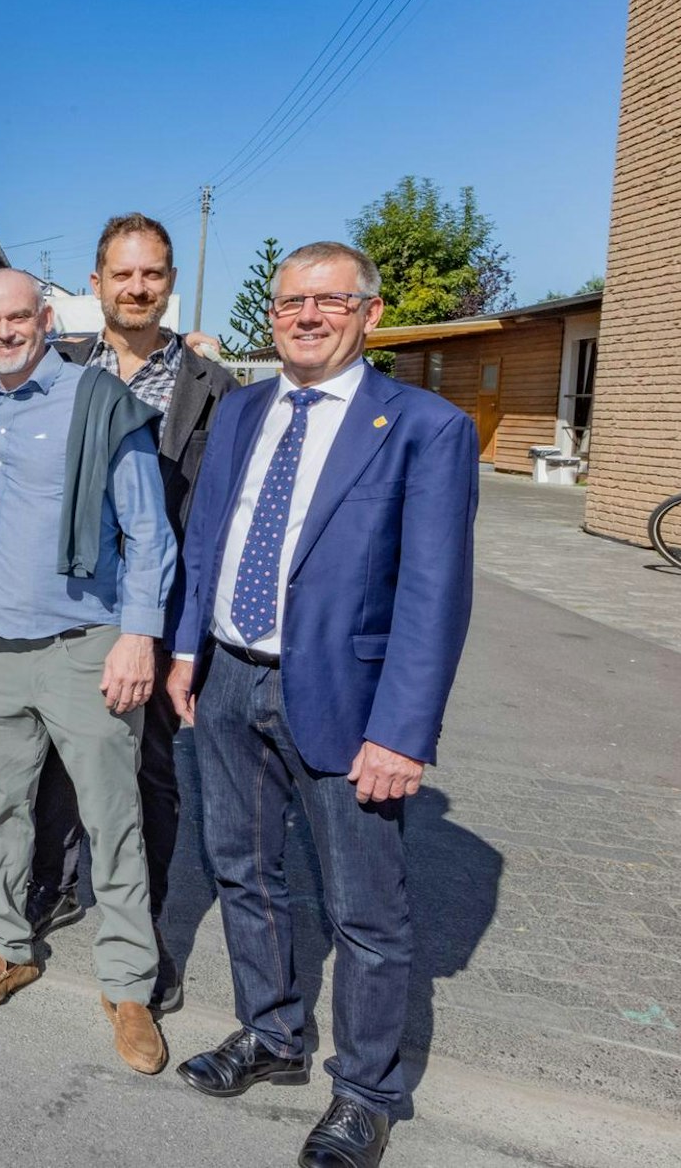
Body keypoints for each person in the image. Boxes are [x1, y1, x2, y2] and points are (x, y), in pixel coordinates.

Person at [166, 243, 478, 1168]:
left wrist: (401, 730)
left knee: (364, 909)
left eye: (328, 301)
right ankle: (271, 1034)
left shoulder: (425, 426)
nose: (306, 316)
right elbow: (208, 540)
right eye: (289, 301)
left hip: (349, 696)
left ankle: (366, 1094)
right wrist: (187, 647)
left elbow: (435, 593)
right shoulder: (245, 409)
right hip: (228, 674)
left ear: (369, 315)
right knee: (241, 869)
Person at [0, 270, 175, 1077]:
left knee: (111, 820)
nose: (4, 332)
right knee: (3, 806)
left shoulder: (98, 399)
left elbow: (148, 533)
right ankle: (9, 947)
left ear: (46, 318)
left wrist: (137, 637)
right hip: (1, 643)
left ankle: (128, 986)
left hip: (89, 643)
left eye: (19, 318)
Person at [26, 214, 235, 1012]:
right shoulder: (59, 368)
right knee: (51, 762)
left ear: (169, 285)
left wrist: (181, 641)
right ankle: (51, 883)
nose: (137, 288)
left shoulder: (215, 390)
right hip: (67, 606)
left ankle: (142, 930)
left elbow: (214, 522)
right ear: (96, 283)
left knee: (149, 775)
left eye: (152, 276)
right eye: (123, 275)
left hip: (156, 610)